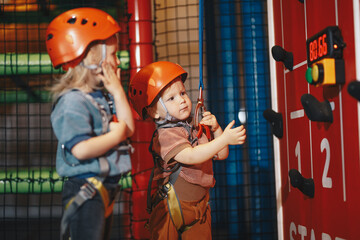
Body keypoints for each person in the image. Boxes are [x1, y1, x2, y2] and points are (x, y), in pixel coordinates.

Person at [129, 61, 246, 239]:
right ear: (154, 113)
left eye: (182, 93)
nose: (182, 100)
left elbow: (222, 154)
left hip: (200, 209)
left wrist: (216, 130)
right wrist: (223, 139)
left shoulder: (193, 128)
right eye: (171, 98)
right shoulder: (165, 135)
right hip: (171, 209)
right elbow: (190, 156)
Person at [45, 8, 135, 240]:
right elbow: (81, 149)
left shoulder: (102, 96)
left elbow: (129, 128)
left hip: (104, 188)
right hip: (86, 190)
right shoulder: (72, 102)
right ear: (93, 60)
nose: (118, 62)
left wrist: (117, 91)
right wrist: (116, 136)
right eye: (114, 54)